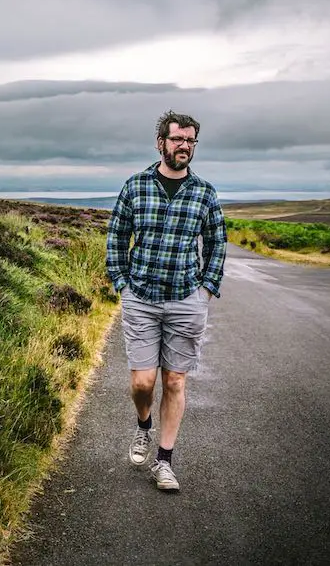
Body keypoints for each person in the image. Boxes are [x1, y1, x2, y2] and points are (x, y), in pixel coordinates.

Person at [105, 110, 227, 492]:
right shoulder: (136, 186)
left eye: (190, 141)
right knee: (143, 382)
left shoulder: (204, 192)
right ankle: (143, 427)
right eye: (178, 140)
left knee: (174, 380)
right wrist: (121, 283)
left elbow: (217, 243)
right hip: (141, 297)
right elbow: (116, 236)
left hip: (186, 299)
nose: (184, 147)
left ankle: (164, 461)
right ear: (161, 143)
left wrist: (206, 289)